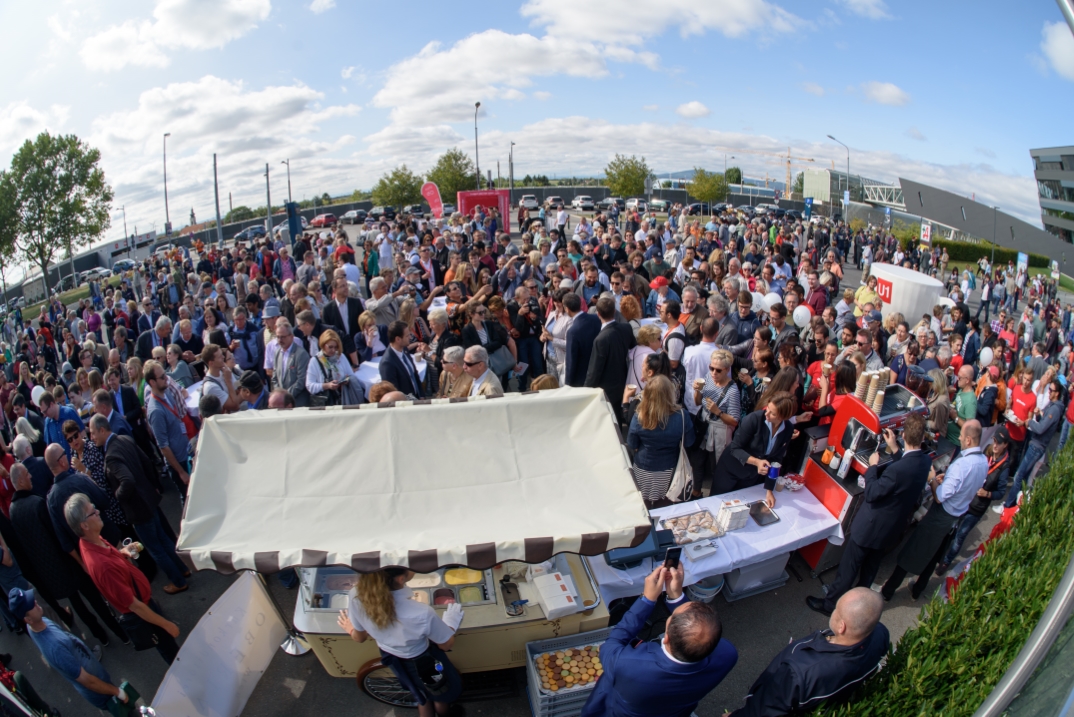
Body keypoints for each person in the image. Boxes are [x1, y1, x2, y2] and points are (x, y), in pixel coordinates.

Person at [807, 415, 931, 616]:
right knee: (870, 569)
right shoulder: (924, 460)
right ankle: (861, 606)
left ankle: (830, 605)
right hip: (891, 528)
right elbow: (906, 470)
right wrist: (896, 450)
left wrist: (872, 466)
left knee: (849, 567)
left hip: (871, 526)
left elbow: (872, 493)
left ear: (905, 435)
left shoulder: (897, 470)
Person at [580, 563, 736, 717]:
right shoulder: (727, 655)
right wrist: (677, 596)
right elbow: (698, 628)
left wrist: (647, 600)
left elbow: (613, 642)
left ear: (666, 637)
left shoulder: (627, 664)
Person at [9, 464, 128, 645]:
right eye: (27, 474)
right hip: (67, 563)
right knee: (94, 598)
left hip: (49, 571)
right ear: (20, 480)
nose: (31, 477)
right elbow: (58, 536)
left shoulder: (12, 510)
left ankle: (101, 637)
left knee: (78, 605)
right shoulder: (37, 503)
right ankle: (122, 633)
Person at [730, 588, 889, 716]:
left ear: (842, 627)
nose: (833, 612)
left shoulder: (800, 671)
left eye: (836, 610)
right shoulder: (881, 634)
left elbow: (765, 710)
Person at [65, 492, 181, 665]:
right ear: (84, 525)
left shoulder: (93, 540)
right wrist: (166, 624)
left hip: (145, 601)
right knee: (172, 653)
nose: (97, 512)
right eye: (92, 512)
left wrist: (123, 553)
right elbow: (135, 606)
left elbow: (111, 558)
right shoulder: (101, 566)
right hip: (144, 609)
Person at [881, 420, 988, 601]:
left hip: (941, 514)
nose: (960, 437)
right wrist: (947, 479)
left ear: (968, 440)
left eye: (962, 435)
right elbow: (964, 484)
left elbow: (939, 496)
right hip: (957, 515)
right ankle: (918, 589)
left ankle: (887, 591)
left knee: (913, 550)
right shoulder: (983, 461)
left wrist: (932, 479)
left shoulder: (962, 465)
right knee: (934, 554)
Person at [337, 568, 464, 717]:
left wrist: (351, 628)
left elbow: (360, 638)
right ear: (400, 579)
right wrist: (449, 624)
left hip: (393, 658)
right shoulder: (422, 612)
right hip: (425, 661)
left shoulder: (355, 595)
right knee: (439, 693)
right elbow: (446, 644)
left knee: (419, 691)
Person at [89, 414, 189, 595]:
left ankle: (178, 581)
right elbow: (147, 463)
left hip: (138, 509)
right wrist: (153, 487)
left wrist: (117, 496)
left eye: (93, 433)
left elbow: (127, 480)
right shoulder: (125, 439)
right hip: (149, 501)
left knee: (155, 548)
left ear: (102, 430)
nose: (91, 437)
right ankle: (183, 569)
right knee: (164, 539)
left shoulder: (111, 456)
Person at [10, 587, 125, 713]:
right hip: (100, 691)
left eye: (32, 600)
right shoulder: (55, 648)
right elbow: (88, 682)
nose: (35, 603)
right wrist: (117, 691)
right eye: (31, 605)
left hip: (100, 679)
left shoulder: (37, 623)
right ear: (28, 619)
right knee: (124, 711)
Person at [936, 426, 1011, 574]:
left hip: (977, 508)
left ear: (1005, 445)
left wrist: (987, 494)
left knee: (960, 536)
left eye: (999, 443)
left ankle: (946, 561)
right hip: (967, 500)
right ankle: (940, 555)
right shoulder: (987, 452)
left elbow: (1001, 492)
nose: (995, 445)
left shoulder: (1005, 467)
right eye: (995, 441)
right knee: (951, 530)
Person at [712, 392, 797, 508]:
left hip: (750, 477)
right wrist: (757, 462)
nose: (766, 413)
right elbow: (735, 448)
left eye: (772, 413)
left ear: (783, 417)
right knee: (716, 506)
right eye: (767, 408)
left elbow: (776, 460)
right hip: (730, 470)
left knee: (740, 508)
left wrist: (769, 490)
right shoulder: (753, 419)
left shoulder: (788, 429)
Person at [626, 375, 694, 508]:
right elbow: (689, 442)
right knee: (664, 505)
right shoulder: (682, 416)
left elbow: (632, 443)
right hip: (670, 469)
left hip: (643, 467)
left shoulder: (639, 416)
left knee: (642, 506)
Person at [1003, 379, 1063, 509]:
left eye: (1051, 390)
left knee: (1019, 475)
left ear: (1057, 393)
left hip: (1037, 446)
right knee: (1023, 477)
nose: (1049, 392)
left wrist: (1029, 422)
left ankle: (1008, 505)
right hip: (1037, 445)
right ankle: (1017, 505)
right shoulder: (1053, 407)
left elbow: (1041, 428)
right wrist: (1040, 414)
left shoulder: (1055, 410)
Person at [584, 297, 637, 423]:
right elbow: (633, 347)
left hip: (607, 389)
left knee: (610, 422)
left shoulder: (601, 339)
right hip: (623, 382)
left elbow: (595, 370)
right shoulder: (626, 328)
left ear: (598, 314)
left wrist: (586, 390)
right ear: (614, 311)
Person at [306, 329, 360, 406]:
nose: (333, 350)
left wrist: (347, 380)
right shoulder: (315, 361)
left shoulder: (341, 357)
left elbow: (352, 376)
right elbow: (310, 386)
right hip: (325, 404)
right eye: (330, 347)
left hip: (342, 400)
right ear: (323, 345)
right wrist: (327, 386)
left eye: (336, 347)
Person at [270, 318, 311, 407]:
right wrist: (279, 396)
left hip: (298, 403)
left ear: (291, 337)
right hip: (281, 404)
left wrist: (285, 396)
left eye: (283, 337)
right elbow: (274, 377)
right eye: (278, 337)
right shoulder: (277, 353)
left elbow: (301, 380)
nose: (280, 340)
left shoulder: (301, 354)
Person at [380, 321, 425, 398]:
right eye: (407, 336)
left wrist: (421, 395)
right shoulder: (387, 363)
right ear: (398, 339)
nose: (410, 338)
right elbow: (393, 393)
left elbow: (414, 374)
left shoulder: (404, 349)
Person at [564, 293, 600, 387]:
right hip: (599, 373)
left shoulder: (572, 331)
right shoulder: (596, 319)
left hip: (581, 379)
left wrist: (568, 384)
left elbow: (571, 360)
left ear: (567, 308)